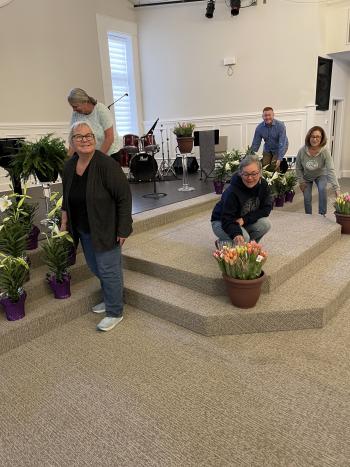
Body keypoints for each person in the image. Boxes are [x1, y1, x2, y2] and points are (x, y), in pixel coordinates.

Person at [61, 122, 132, 332]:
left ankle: (115, 311)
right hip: (83, 228)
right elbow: (66, 198)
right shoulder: (69, 166)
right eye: (79, 137)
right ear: (72, 141)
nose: (85, 140)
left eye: (88, 135)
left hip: (106, 227)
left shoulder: (107, 165)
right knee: (95, 267)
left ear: (95, 138)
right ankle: (112, 297)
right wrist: (64, 222)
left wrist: (123, 228)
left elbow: (124, 198)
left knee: (109, 270)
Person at [211, 154, 272, 245]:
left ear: (260, 173)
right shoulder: (232, 191)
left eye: (254, 173)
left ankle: (247, 247)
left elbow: (266, 209)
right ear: (240, 173)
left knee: (265, 224)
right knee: (243, 238)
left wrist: (245, 220)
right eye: (246, 174)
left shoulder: (263, 185)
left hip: (241, 220)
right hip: (221, 221)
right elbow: (227, 219)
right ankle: (222, 243)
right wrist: (237, 234)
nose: (250, 178)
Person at [296, 126, 340, 216]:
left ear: (321, 138)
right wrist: (301, 181)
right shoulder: (302, 151)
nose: (315, 139)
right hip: (307, 176)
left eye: (318, 137)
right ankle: (308, 216)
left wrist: (336, 189)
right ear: (309, 137)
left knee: (322, 188)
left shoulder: (325, 152)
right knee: (307, 198)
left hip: (321, 175)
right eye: (312, 136)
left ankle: (322, 214)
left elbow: (330, 170)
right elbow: (298, 168)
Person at [67, 88, 121, 159]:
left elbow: (109, 138)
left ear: (85, 102)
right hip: (90, 156)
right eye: (72, 107)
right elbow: (73, 139)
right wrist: (67, 159)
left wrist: (96, 158)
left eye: (75, 106)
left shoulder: (101, 109)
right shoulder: (76, 114)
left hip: (110, 154)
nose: (74, 109)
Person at [251, 107, 288, 171]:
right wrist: (250, 156)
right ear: (262, 116)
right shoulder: (259, 128)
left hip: (280, 147)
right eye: (265, 115)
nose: (267, 117)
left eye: (269, 115)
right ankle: (266, 180)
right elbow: (255, 143)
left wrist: (279, 159)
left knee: (274, 165)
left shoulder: (280, 126)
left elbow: (282, 143)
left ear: (273, 115)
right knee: (265, 166)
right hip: (268, 148)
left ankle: (276, 179)